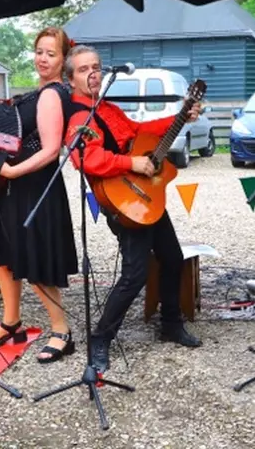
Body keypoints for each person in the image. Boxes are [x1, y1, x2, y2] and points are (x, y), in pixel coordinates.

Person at [63, 45, 203, 373]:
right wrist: (132, 163)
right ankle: (101, 338)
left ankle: (170, 322)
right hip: (123, 201)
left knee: (172, 257)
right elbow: (88, 160)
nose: (93, 73)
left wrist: (180, 116)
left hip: (146, 197)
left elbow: (142, 133)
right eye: (83, 69)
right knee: (134, 274)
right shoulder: (79, 117)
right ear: (71, 79)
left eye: (96, 66)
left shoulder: (110, 109)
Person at [0, 27, 79, 363]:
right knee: (4, 256)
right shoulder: (36, 92)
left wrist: (12, 171)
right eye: (39, 51)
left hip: (34, 187)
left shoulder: (51, 95)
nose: (43, 58)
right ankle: (11, 321)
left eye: (51, 53)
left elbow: (50, 150)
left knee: (35, 261)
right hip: (12, 186)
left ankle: (62, 331)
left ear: (63, 60)